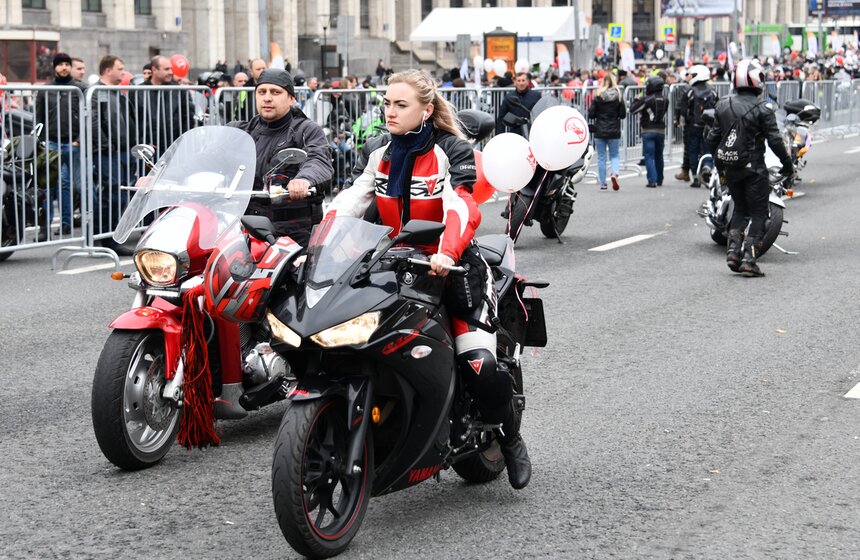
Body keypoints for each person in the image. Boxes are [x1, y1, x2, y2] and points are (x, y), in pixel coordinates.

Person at [324, 69, 531, 490]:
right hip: (393, 266)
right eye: (387, 103)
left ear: (426, 110)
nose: (390, 111)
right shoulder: (380, 150)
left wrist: (446, 252)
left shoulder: (451, 149)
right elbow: (353, 198)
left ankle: (510, 437)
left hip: (453, 270)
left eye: (401, 104)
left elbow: (463, 206)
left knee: (478, 364)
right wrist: (321, 238)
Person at [707, 59, 793, 277]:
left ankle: (733, 252)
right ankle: (749, 259)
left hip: (730, 166)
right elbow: (775, 140)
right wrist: (787, 164)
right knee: (759, 213)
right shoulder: (763, 107)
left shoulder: (723, 104)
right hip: (754, 167)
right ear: (757, 79)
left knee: (741, 211)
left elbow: (712, 138)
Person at [228, 69, 332, 246]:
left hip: (293, 232)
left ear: (291, 98)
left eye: (275, 92)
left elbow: (319, 159)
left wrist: (304, 179)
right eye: (262, 92)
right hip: (245, 225)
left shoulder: (306, 130)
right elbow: (208, 157)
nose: (267, 98)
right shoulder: (242, 131)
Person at [35, 52, 88, 237]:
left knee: (68, 184)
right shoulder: (46, 89)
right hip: (51, 142)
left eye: (67, 64)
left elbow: (87, 116)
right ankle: (45, 228)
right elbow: (38, 117)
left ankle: (66, 223)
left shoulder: (81, 88)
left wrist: (80, 139)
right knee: (48, 185)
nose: (64, 67)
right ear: (54, 67)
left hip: (73, 142)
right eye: (60, 64)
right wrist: (40, 142)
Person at [90, 55, 137, 255]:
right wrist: (105, 145)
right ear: (108, 70)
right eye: (120, 68)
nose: (123, 72)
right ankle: (107, 238)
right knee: (112, 194)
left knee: (121, 194)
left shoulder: (118, 93)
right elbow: (94, 122)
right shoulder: (96, 92)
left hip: (123, 150)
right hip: (109, 151)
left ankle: (110, 235)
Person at [137, 55, 195, 158]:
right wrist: (144, 142)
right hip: (149, 150)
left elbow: (188, 117)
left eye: (171, 69)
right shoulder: (139, 91)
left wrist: (181, 141)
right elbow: (134, 120)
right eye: (167, 69)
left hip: (175, 148)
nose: (171, 72)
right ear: (154, 69)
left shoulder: (179, 90)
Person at [588, 72, 626, 190]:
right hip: (614, 129)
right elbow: (623, 114)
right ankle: (614, 173)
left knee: (601, 157)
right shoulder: (618, 96)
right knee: (614, 155)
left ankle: (603, 183)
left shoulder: (598, 96)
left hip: (600, 129)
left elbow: (591, 114)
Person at [630, 75, 669, 188]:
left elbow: (633, 110)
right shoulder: (666, 99)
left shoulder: (647, 99)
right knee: (659, 155)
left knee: (649, 156)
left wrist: (636, 100)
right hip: (661, 130)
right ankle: (660, 179)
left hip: (648, 130)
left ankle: (652, 180)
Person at [682, 64, 717, 188]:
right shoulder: (712, 90)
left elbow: (683, 109)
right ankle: (707, 166)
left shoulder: (690, 90)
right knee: (707, 149)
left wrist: (684, 120)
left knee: (693, 150)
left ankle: (696, 177)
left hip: (693, 125)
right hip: (709, 125)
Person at [495, 72, 540, 137]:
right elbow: (501, 119)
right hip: (515, 132)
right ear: (515, 82)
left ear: (528, 82)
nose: (521, 83)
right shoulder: (509, 97)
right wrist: (499, 136)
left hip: (532, 131)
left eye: (523, 80)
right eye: (518, 81)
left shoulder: (536, 96)